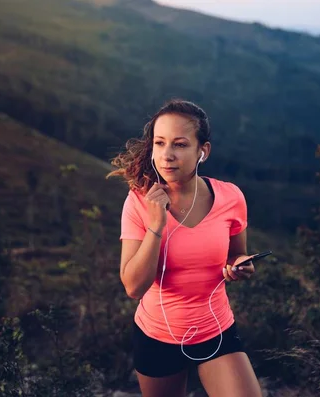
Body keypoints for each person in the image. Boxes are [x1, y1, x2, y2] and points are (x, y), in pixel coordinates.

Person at [108, 99, 263, 397]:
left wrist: (239, 265)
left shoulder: (231, 197)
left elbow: (236, 254)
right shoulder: (139, 202)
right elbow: (133, 287)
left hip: (215, 331)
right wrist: (156, 224)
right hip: (156, 336)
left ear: (202, 151)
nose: (167, 155)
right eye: (160, 143)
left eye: (179, 145)